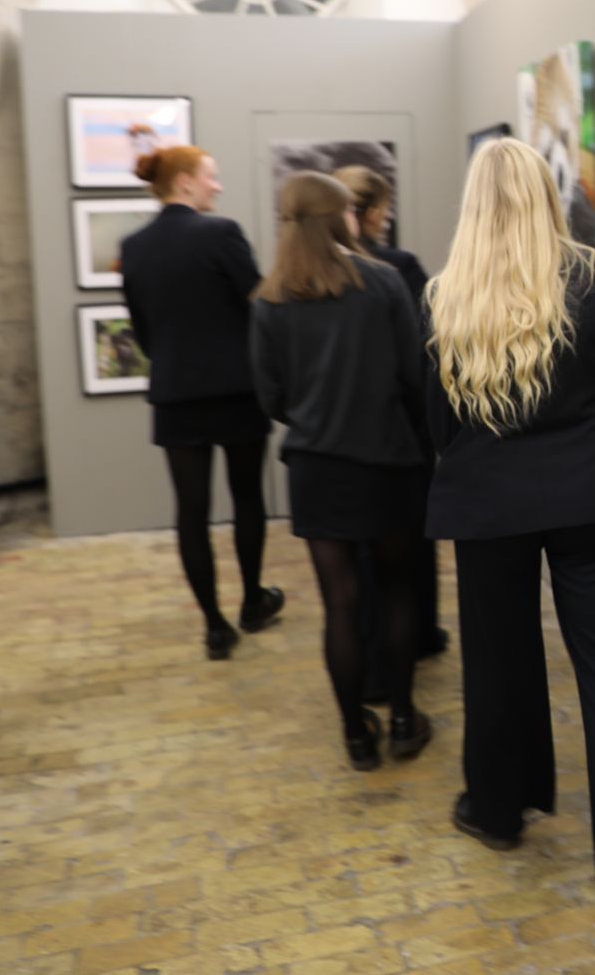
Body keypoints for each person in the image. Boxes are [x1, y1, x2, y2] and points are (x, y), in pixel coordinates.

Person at [425, 137, 595, 938]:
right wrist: (590, 469)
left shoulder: (443, 296)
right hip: (591, 502)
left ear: (474, 205)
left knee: (498, 663)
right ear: (549, 195)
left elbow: (438, 426)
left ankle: (498, 810)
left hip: (488, 509)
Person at [250, 171, 433, 771]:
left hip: (317, 469)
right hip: (389, 460)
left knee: (340, 605)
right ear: (341, 217)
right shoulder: (381, 283)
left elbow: (270, 397)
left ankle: (356, 734)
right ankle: (405, 718)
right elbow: (414, 376)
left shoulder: (270, 298)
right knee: (400, 591)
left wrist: (311, 414)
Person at [119, 134, 284, 660]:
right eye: (211, 175)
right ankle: (253, 601)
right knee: (247, 498)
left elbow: (142, 331)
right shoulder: (221, 233)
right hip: (236, 389)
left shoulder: (133, 247)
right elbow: (259, 305)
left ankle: (214, 626)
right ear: (186, 182)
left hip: (175, 393)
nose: (219, 184)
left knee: (191, 510)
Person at [332, 164, 448, 670]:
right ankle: (416, 640)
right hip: (401, 431)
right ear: (376, 212)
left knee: (350, 561)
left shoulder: (309, 271)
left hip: (335, 437)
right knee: (409, 553)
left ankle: (367, 654)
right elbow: (430, 348)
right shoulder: (399, 268)